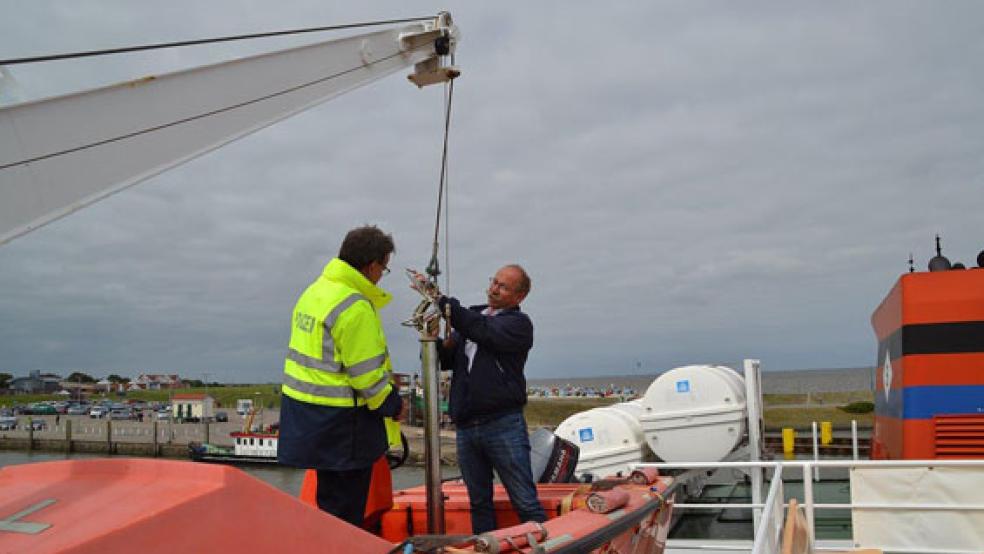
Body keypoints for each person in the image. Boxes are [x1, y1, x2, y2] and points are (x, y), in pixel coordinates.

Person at [277, 225, 403, 527]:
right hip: (344, 426)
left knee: (329, 506)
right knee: (346, 513)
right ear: (372, 265)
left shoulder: (316, 291)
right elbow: (367, 377)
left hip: (310, 420)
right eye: (384, 268)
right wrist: (393, 404)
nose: (381, 276)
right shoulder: (355, 306)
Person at [435, 264, 546, 533]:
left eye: (503, 286)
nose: (494, 289)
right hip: (466, 425)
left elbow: (484, 331)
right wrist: (435, 342)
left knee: (525, 502)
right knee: (479, 503)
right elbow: (448, 361)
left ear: (519, 297)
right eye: (494, 282)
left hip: (502, 423)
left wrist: (445, 305)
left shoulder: (518, 325)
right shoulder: (474, 318)